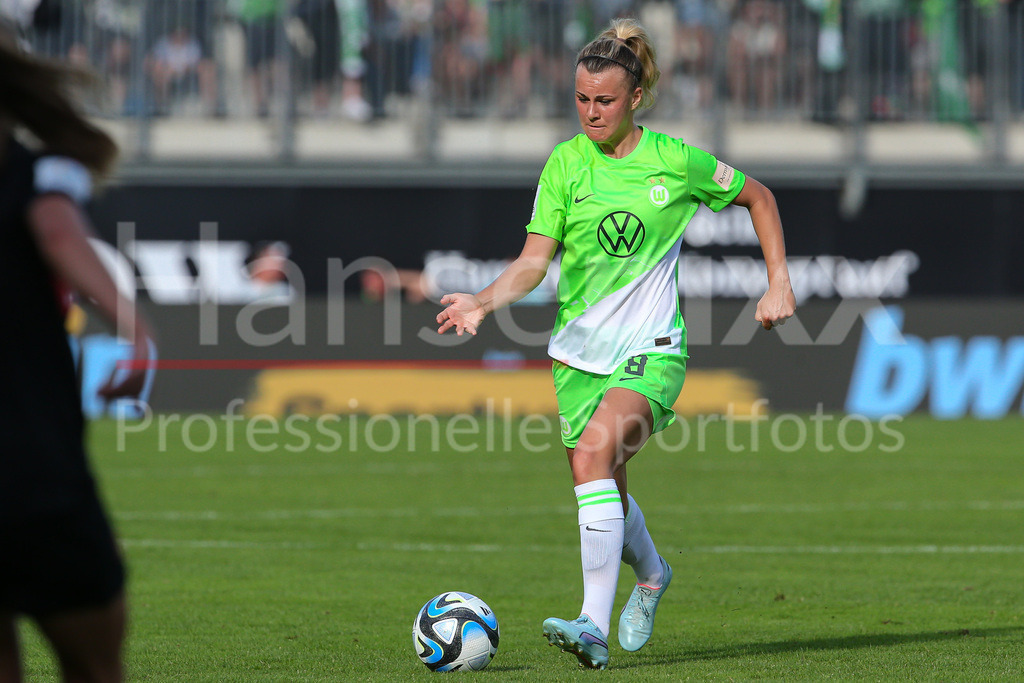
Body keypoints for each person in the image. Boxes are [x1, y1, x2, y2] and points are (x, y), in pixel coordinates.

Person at [436, 18, 795, 670]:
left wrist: (778, 282)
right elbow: (533, 261)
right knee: (606, 486)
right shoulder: (566, 164)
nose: (591, 112)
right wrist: (482, 300)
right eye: (580, 99)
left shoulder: (674, 161)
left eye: (603, 100)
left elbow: (760, 198)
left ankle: (590, 624)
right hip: (577, 358)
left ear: (634, 97)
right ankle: (653, 574)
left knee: (592, 457)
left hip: (653, 351)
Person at [0, 24, 154, 683]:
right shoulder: (40, 174)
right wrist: (135, 328)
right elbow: (58, 230)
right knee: (95, 667)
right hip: (37, 475)